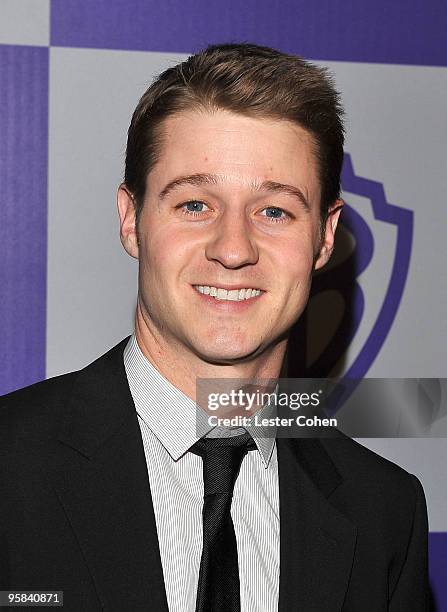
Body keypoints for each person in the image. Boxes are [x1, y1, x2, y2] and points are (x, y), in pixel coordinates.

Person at [0, 43, 429, 611]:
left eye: (274, 211)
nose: (233, 249)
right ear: (132, 220)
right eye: (196, 204)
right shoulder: (10, 467)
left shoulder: (384, 511)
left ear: (325, 237)